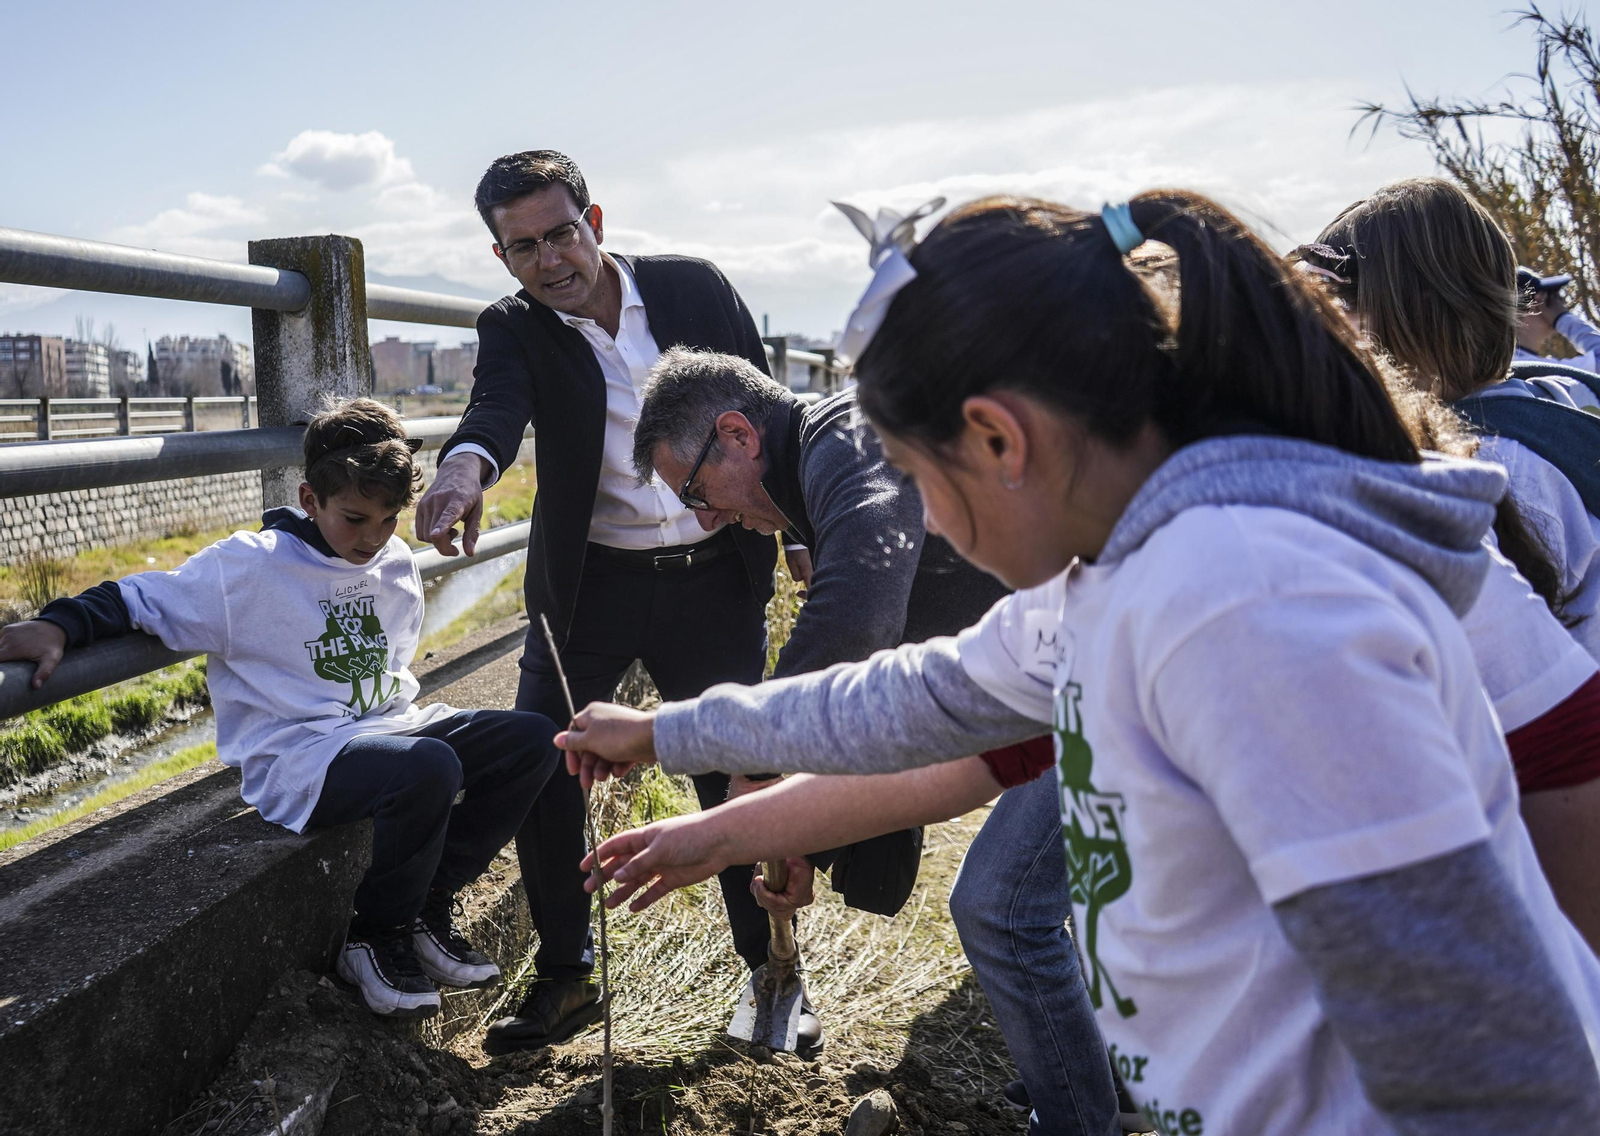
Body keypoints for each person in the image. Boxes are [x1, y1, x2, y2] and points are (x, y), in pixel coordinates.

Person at [558, 192, 1600, 1135]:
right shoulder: (1120, 580)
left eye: (924, 479)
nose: (931, 525)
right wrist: (671, 740)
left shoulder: (1241, 605)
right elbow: (917, 700)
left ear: (1000, 438)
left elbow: (1480, 1058)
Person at [0, 398, 562, 1019]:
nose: (373, 538)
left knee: (536, 740)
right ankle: (375, 936)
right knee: (429, 767)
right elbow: (140, 597)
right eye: (355, 518)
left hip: (386, 729)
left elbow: (394, 662)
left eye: (388, 520)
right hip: (299, 756)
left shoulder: (395, 561)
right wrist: (59, 625)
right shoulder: (250, 566)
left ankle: (429, 903)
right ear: (309, 499)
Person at [411, 150, 792, 1055]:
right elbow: (494, 412)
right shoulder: (513, 328)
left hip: (715, 573)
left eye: (561, 235)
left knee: (734, 766)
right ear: (501, 256)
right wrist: (462, 472)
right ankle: (566, 976)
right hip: (592, 586)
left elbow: (769, 409)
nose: (549, 261)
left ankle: (772, 975)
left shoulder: (694, 287)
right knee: (545, 763)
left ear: (596, 223)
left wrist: (801, 528)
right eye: (523, 248)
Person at [632, 348, 1076, 1092]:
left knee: (1004, 904)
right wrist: (796, 822)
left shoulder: (849, 437)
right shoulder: (822, 473)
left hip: (1107, 659)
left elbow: (858, 621)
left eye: (698, 491)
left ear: (738, 434)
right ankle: (1100, 1075)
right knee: (1059, 894)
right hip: (1043, 683)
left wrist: (758, 756)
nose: (708, 518)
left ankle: (1090, 1097)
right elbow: (893, 697)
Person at [1305, 178, 1600, 662]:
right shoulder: (1556, 392)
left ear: (1413, 315)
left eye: (1343, 307)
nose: (1335, 334)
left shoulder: (1492, 470)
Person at [1515, 266, 1600, 384]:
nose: (1560, 304)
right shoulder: (1531, 369)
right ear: (1534, 305)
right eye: (1551, 298)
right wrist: (1562, 318)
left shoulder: (1505, 364)